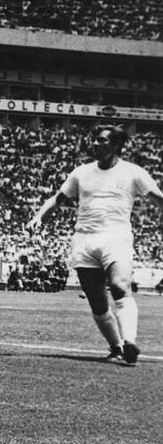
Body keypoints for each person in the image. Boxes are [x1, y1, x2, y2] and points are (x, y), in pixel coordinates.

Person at [26, 125, 163, 365]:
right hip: (84, 240)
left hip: (116, 237)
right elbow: (57, 199)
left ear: (116, 145)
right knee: (97, 302)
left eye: (101, 141)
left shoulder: (133, 172)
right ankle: (116, 347)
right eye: (94, 140)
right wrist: (38, 217)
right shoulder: (81, 172)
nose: (95, 145)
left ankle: (130, 341)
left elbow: (156, 197)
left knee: (120, 286)